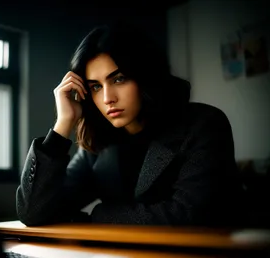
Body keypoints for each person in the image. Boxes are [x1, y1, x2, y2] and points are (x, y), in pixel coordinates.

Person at [16, 19, 245, 228]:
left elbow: (189, 215)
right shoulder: (98, 146)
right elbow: (33, 214)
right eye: (95, 86)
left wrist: (98, 215)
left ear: (146, 76)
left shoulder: (203, 124)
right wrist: (62, 125)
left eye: (119, 79)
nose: (107, 98)